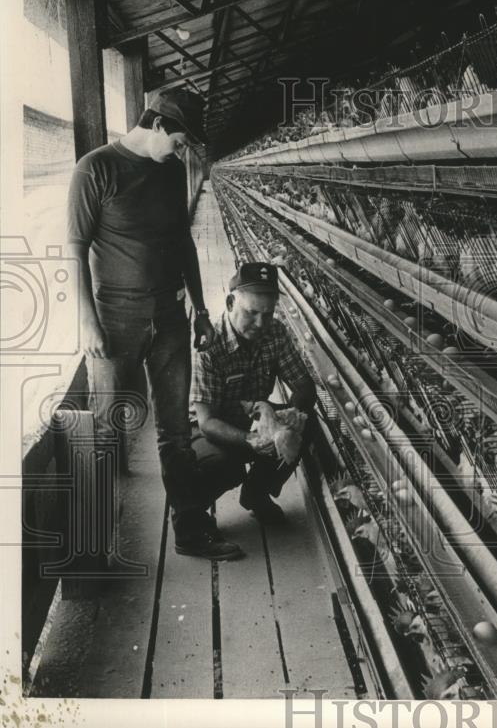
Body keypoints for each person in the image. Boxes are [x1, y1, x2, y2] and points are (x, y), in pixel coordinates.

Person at [66, 89, 235, 560]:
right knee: (104, 428)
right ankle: (92, 549)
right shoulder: (94, 169)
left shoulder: (172, 169)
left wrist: (201, 311)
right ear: (158, 124)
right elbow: (74, 251)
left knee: (176, 429)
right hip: (115, 321)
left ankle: (190, 530)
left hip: (170, 317)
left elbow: (184, 242)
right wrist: (87, 322)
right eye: (180, 141)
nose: (182, 152)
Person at [189, 263, 317, 536]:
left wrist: (295, 415)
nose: (260, 323)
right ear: (230, 302)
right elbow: (207, 421)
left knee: (306, 425)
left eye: (268, 314)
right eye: (251, 313)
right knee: (221, 464)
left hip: (254, 417)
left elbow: (303, 383)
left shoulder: (275, 332)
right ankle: (192, 512)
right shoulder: (210, 346)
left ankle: (256, 495)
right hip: (207, 427)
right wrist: (251, 441)